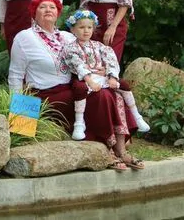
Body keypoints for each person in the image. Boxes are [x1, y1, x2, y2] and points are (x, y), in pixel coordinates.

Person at [60, 10, 144, 170]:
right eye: (81, 27)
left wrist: (110, 74)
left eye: (89, 27)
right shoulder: (70, 48)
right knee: (104, 96)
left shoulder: (99, 46)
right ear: (73, 30)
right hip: (85, 85)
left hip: (103, 81)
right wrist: (90, 79)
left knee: (118, 96)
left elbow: (111, 60)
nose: (85, 31)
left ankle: (121, 148)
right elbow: (77, 65)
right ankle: (108, 148)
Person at [7, 0, 75, 130]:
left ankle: (115, 139)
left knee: (103, 94)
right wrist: (20, 122)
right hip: (45, 96)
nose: (48, 10)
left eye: (52, 7)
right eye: (42, 7)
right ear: (34, 14)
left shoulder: (68, 37)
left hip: (71, 90)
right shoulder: (24, 37)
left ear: (58, 13)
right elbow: (16, 75)